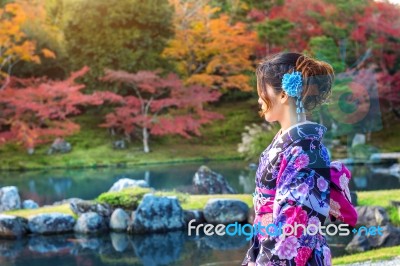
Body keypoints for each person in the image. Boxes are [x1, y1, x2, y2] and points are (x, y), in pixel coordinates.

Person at [242, 52, 335, 266]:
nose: (259, 99)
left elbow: (293, 228)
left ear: (283, 94)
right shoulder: (290, 143)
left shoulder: (305, 150)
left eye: (261, 91)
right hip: (266, 247)